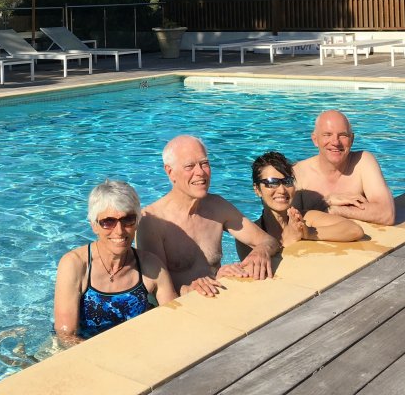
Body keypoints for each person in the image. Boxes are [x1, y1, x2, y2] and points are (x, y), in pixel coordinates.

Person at [137, 135, 280, 297]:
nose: (200, 172)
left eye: (204, 163)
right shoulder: (152, 221)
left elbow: (269, 241)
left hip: (218, 297)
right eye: (189, 166)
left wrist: (259, 252)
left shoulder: (217, 207)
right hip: (180, 308)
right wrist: (191, 289)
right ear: (170, 172)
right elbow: (156, 288)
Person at [53, 179, 177, 345]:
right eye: (108, 222)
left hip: (134, 349)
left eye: (128, 220)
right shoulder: (75, 265)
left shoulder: (151, 266)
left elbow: (175, 318)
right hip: (80, 351)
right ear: (94, 225)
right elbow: (66, 335)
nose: (119, 231)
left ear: (137, 221)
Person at [235, 151, 364, 259]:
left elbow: (354, 230)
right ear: (257, 189)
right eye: (272, 182)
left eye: (287, 181)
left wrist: (308, 233)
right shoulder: (249, 234)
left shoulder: (307, 219)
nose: (282, 190)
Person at [293, 110, 395, 226]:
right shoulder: (298, 173)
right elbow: (286, 222)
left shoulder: (363, 162)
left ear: (352, 139)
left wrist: (335, 210)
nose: (336, 142)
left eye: (343, 135)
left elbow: (387, 214)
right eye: (327, 134)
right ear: (315, 139)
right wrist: (327, 201)